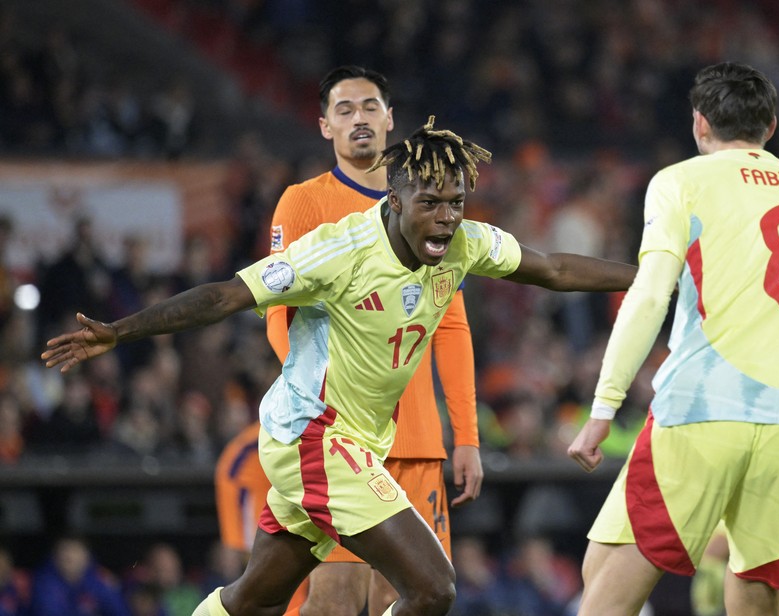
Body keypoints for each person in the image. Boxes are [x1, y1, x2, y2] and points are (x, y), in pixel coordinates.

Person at [42, 116, 638, 616]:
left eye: (455, 203)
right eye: (430, 204)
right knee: (433, 588)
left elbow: (555, 270)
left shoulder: (464, 243)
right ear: (395, 199)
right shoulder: (340, 251)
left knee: (254, 599)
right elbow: (227, 295)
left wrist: (652, 280)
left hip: (356, 441)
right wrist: (121, 331)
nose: (446, 218)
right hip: (314, 437)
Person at [567, 61, 779, 616]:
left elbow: (650, 296)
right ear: (771, 127)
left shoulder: (680, 181)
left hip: (701, 412)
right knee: (744, 594)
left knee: (607, 589)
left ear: (700, 123)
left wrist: (604, 407)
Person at [215, 64, 484, 616]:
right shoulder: (303, 204)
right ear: (324, 127)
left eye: (368, 107)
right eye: (344, 110)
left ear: (390, 118)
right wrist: (321, 402)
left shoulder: (429, 201)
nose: (358, 118)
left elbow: (451, 325)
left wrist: (468, 435)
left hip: (416, 439)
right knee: (334, 599)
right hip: (337, 438)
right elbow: (276, 313)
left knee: (413, 595)